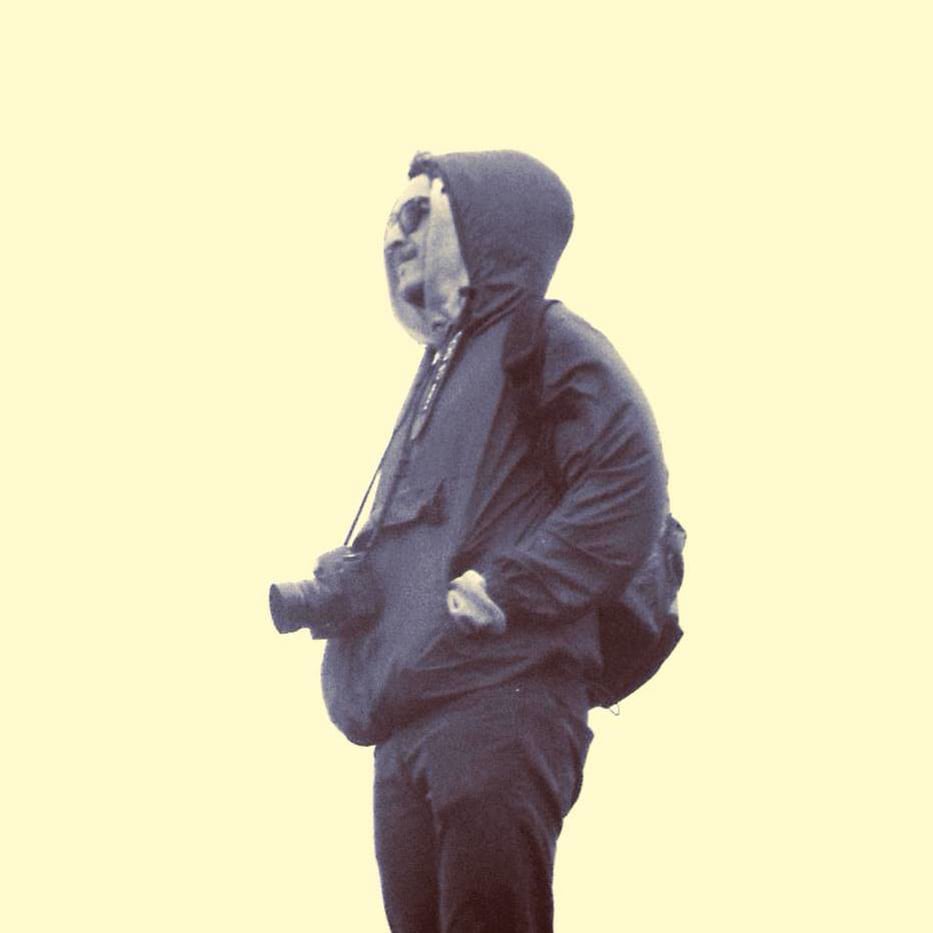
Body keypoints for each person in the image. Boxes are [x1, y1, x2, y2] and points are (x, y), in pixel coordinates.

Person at [319, 150, 670, 932]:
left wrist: (510, 587)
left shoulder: (538, 338)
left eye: (419, 215)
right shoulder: (436, 381)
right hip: (407, 720)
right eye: (390, 222)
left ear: (482, 226)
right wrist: (351, 585)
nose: (396, 238)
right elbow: (432, 536)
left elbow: (627, 474)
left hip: (499, 695)